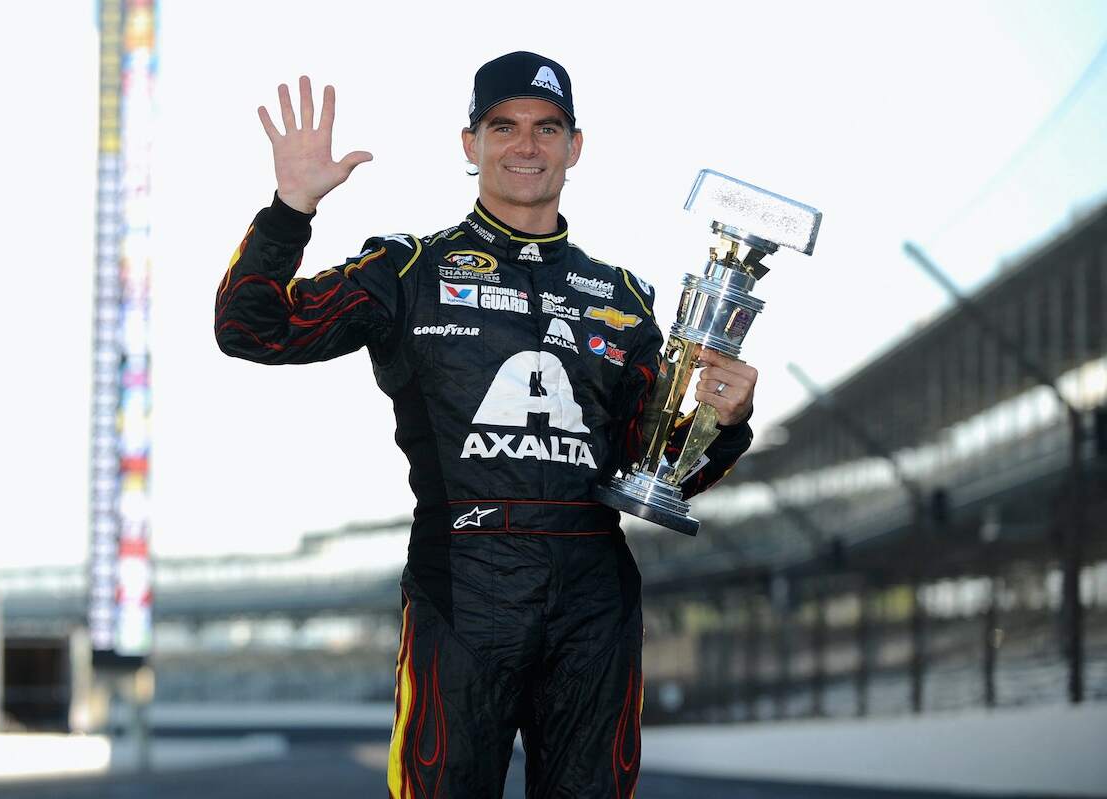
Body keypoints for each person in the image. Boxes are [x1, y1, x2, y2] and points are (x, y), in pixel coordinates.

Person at [215, 51, 758, 799]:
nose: (525, 146)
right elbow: (252, 329)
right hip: (463, 582)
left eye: (546, 128)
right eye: (503, 126)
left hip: (594, 593)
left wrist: (723, 421)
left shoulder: (624, 297)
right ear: (470, 145)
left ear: (575, 146)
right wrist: (290, 210)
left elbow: (657, 468)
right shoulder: (409, 270)